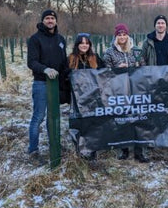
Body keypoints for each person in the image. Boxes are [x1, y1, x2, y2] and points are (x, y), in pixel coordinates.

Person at [27, 9, 68, 164]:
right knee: (39, 117)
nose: (50, 21)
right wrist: (45, 69)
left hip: (57, 83)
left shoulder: (61, 39)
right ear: (43, 21)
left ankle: (54, 145)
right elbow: (31, 62)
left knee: (54, 116)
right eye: (47, 18)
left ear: (56, 21)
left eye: (52, 18)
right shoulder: (35, 39)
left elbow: (64, 62)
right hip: (41, 83)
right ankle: (33, 151)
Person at [103, 23, 148, 162]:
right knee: (122, 119)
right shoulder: (109, 52)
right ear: (116, 36)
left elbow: (144, 67)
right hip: (119, 90)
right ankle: (124, 150)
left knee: (138, 118)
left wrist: (133, 66)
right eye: (119, 35)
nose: (122, 37)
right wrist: (117, 68)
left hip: (135, 90)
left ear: (128, 35)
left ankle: (139, 151)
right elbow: (105, 71)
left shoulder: (136, 50)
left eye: (124, 34)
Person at [68, 32, 105, 161]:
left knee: (93, 121)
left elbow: (103, 73)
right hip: (77, 98)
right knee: (78, 122)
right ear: (77, 44)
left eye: (86, 43)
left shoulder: (95, 58)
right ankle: (79, 148)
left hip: (93, 97)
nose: (84, 45)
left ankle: (92, 149)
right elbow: (65, 75)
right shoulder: (71, 58)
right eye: (81, 43)